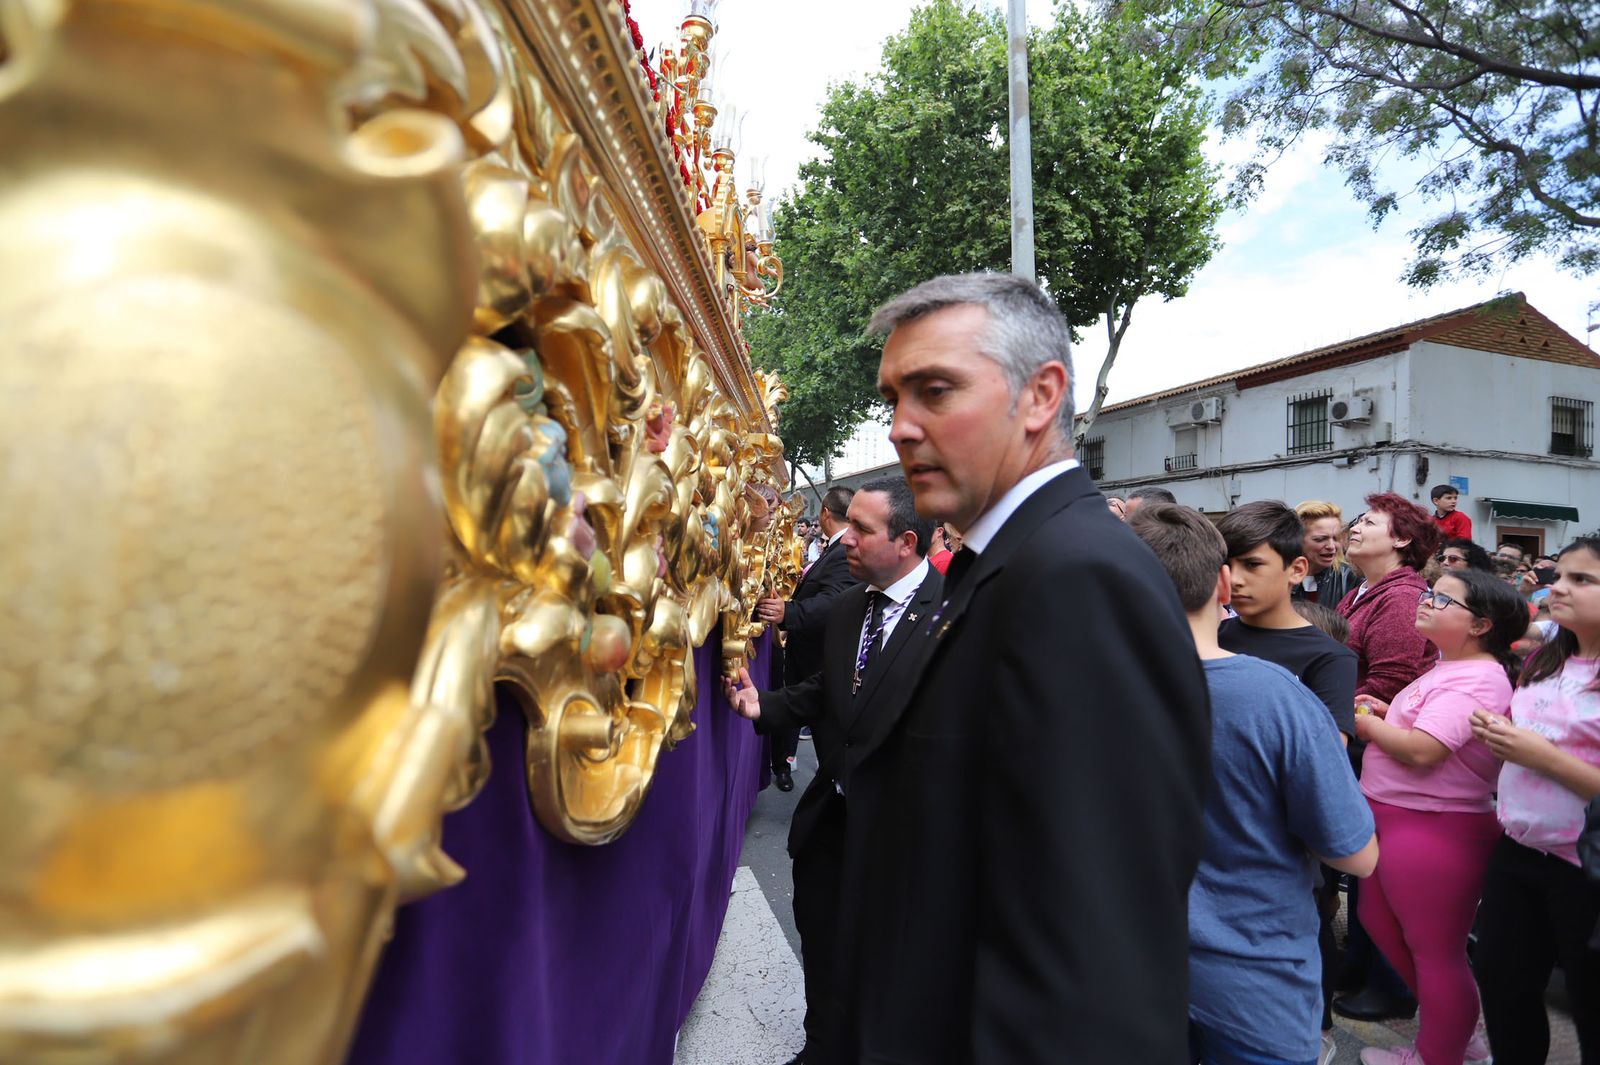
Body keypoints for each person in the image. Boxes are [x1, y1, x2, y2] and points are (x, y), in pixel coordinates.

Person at [839, 272, 1210, 1064]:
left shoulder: (1079, 578)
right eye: (893, 399)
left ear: (1041, 396)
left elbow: (1094, 950)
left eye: (934, 390)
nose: (901, 428)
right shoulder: (1007, 561)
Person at [1131, 503, 1376, 1065]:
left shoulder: (1079, 686)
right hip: (1252, 980)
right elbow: (1355, 853)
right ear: (1219, 580)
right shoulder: (1278, 699)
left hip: (1127, 971)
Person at [726, 477, 942, 1065]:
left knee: (884, 959)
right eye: (847, 526)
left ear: (906, 542)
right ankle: (821, 1045)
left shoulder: (956, 618)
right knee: (820, 937)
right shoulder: (852, 607)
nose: (846, 539)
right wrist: (764, 706)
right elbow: (832, 687)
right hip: (833, 821)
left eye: (862, 530)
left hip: (903, 834)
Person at [1350, 569, 1527, 1065]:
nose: (1426, 601)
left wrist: (1365, 724)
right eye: (1431, 592)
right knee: (1381, 923)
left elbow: (1425, 750)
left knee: (1435, 952)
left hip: (1434, 827)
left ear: (1481, 625)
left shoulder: (1478, 677)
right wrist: (1388, 716)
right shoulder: (1451, 667)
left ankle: (1439, 1055)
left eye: (1443, 599)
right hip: (1402, 818)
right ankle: (1452, 1040)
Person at [1471, 535, 1600, 1065]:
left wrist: (1539, 754)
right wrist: (1503, 735)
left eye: (1582, 580)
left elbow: (1548, 752)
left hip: (1584, 868)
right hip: (1519, 849)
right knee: (1503, 988)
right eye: (1560, 576)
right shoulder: (1548, 657)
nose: (1558, 589)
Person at [1334, 491, 1441, 1023]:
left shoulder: (1400, 597)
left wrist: (1340, 718)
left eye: (1368, 522)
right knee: (1361, 871)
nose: (1354, 528)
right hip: (1357, 735)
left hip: (1373, 742)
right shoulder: (1364, 591)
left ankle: (1390, 983)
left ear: (1400, 540)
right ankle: (1359, 965)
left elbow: (1391, 680)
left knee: (1377, 870)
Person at [1217, 500, 1358, 743]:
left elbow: (1326, 755)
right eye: (1227, 565)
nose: (1235, 579)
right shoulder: (1209, 637)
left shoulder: (1330, 658)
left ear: (1296, 570)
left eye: (1252, 564)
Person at [756, 486, 855, 791]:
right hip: (806, 654)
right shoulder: (834, 550)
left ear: (825, 513)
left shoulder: (841, 553)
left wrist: (788, 612)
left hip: (818, 656)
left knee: (822, 728)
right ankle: (788, 766)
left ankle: (832, 793)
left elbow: (832, 601)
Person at [1294, 500, 1359, 607]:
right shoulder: (1279, 577)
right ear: (1297, 539)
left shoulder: (1350, 578)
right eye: (1320, 539)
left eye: (1336, 538)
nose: (1331, 546)